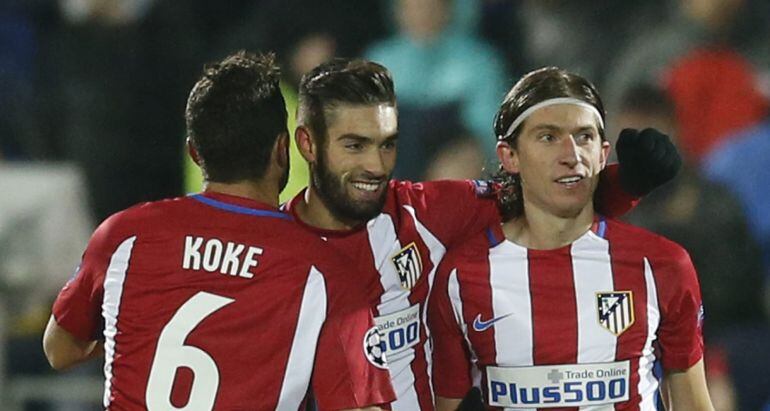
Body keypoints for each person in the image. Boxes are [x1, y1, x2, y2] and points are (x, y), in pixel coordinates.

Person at [285, 58, 682, 410]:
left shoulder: (426, 214)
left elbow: (544, 196)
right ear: (308, 143)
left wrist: (626, 181)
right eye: (355, 146)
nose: (375, 165)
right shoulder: (271, 254)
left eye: (387, 145)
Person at [42, 51, 394, 410]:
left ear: (195, 153)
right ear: (283, 150)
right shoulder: (326, 273)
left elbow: (59, 349)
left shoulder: (123, 236)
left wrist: (131, 337)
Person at [429, 67, 714, 410]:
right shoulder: (461, 276)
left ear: (603, 154)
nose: (571, 155)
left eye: (584, 137)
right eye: (548, 137)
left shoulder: (662, 265)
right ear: (510, 156)